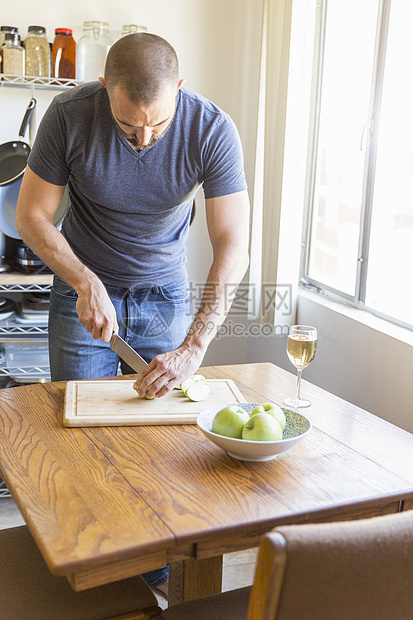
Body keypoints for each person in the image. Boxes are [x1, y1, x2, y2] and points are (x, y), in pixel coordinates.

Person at [16, 33, 249, 588]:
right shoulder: (70, 114)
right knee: (82, 443)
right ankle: (92, 575)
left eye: (157, 124)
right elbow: (32, 216)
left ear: (181, 92)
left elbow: (233, 244)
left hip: (163, 296)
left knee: (158, 444)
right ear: (104, 90)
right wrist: (83, 280)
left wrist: (194, 347)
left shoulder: (211, 128)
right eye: (127, 126)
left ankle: (154, 574)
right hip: (83, 292)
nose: (143, 139)